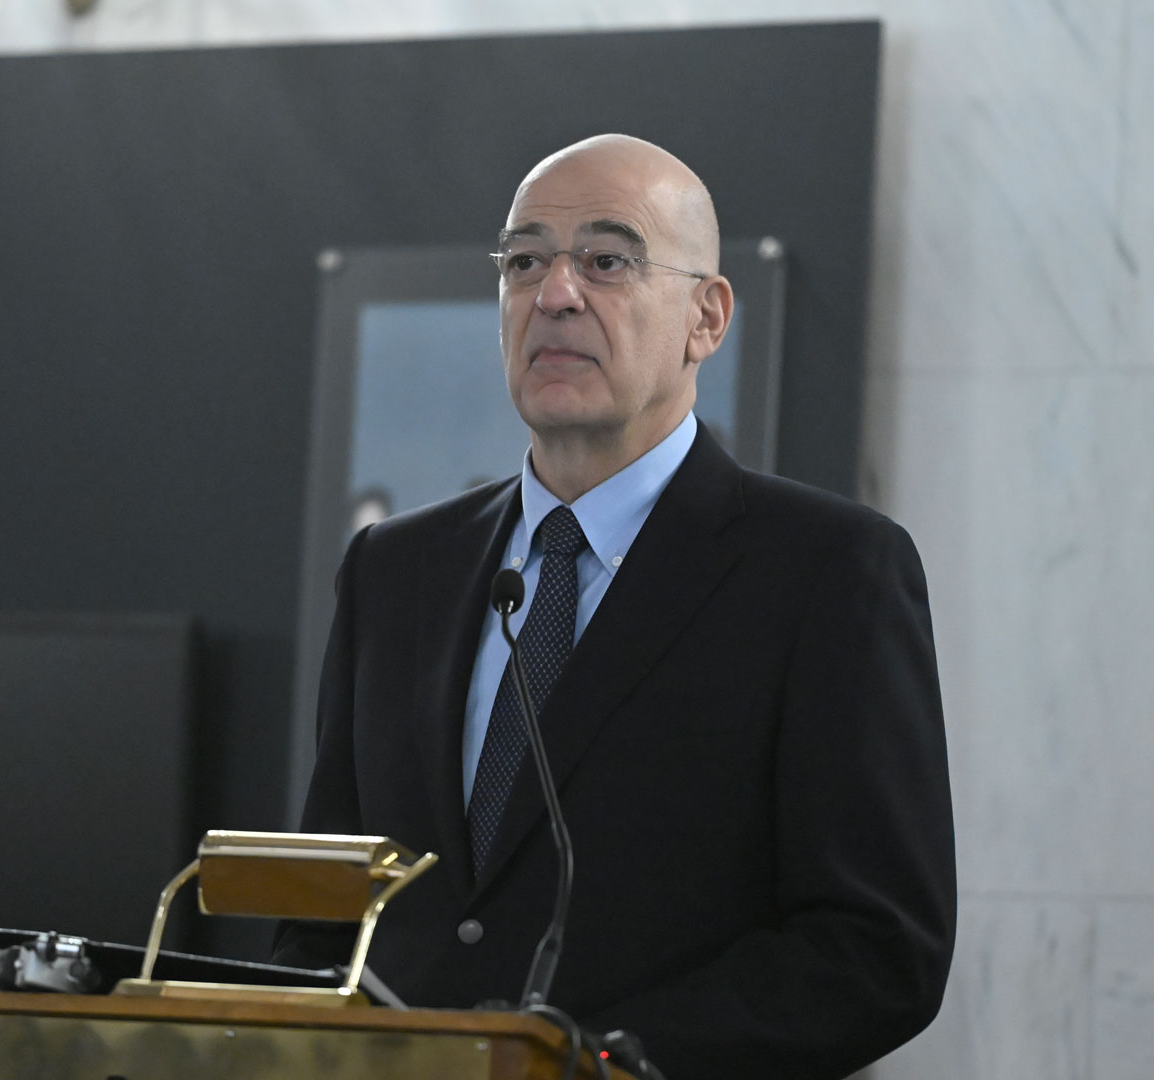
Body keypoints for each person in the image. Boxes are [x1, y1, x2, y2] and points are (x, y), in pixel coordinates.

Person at [274, 134, 954, 1079]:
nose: (554, 294)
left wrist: (597, 1065)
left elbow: (877, 947)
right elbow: (322, 903)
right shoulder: (396, 569)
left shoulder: (827, 571)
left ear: (706, 318)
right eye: (523, 262)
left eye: (606, 260)